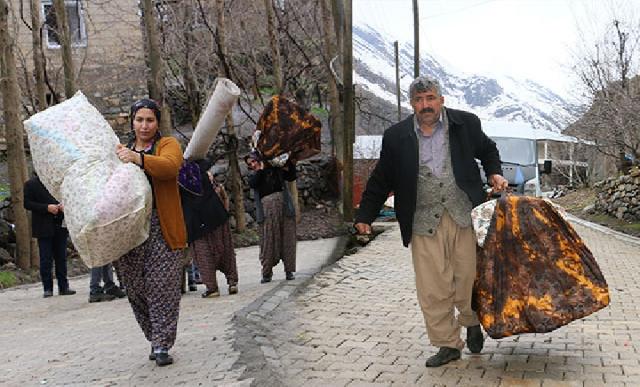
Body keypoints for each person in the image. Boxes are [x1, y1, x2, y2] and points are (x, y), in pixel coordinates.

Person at [354, 76, 508, 368]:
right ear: (412, 104)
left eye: (430, 98)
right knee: (432, 287)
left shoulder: (466, 124)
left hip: (463, 214)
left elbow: (488, 151)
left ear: (441, 99)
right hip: (422, 219)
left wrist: (494, 173)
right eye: (419, 100)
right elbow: (381, 178)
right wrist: (365, 215)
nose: (425, 105)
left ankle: (471, 321)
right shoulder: (396, 136)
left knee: (467, 278)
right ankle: (447, 344)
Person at [113, 98, 187, 367]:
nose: (144, 125)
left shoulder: (167, 145)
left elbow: (170, 167)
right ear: (132, 122)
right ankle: (154, 336)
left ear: (157, 123)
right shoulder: (120, 151)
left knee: (163, 286)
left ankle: (162, 344)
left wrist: (138, 159)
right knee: (135, 289)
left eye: (150, 120)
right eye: (139, 120)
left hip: (161, 228)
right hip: (130, 233)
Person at [179, 160, 238, 298]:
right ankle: (232, 282)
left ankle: (212, 288)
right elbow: (205, 163)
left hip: (196, 220)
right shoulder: (199, 168)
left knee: (202, 254)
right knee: (226, 250)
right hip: (215, 214)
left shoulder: (176, 178)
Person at [246, 151, 297, 283]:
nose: (253, 164)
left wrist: (291, 163)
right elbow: (253, 184)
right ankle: (267, 273)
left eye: (254, 161)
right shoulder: (255, 175)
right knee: (268, 240)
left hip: (284, 206)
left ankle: (289, 270)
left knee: (287, 237)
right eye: (250, 164)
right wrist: (261, 169)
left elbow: (291, 176)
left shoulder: (276, 169)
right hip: (267, 210)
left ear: (259, 159)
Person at [23, 174, 76, 298]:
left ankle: (64, 286)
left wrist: (63, 205)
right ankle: (47, 288)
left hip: (60, 224)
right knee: (45, 258)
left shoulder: (57, 182)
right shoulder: (31, 184)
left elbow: (68, 197)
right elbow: (27, 203)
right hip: (43, 226)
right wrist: (46, 207)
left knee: (61, 257)